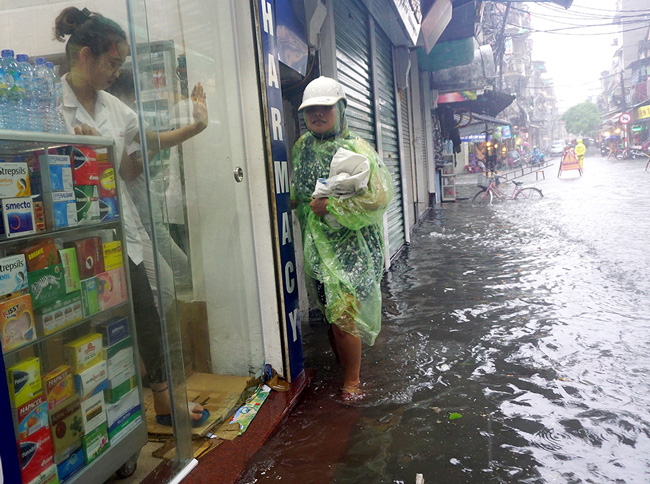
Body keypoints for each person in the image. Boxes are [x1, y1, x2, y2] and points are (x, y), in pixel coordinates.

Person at [54, 6, 208, 426]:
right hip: (72, 238)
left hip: (121, 231)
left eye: (120, 64)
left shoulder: (113, 109)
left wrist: (194, 128)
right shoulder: (51, 107)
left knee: (144, 309)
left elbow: (146, 143)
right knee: (84, 324)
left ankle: (162, 401)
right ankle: (93, 410)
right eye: (112, 62)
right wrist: (78, 155)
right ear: (85, 55)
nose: (115, 73)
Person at [291, 76, 393, 401]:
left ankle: (352, 381)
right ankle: (344, 364)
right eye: (311, 110)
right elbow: (298, 192)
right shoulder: (302, 148)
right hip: (318, 247)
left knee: (343, 314)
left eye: (325, 108)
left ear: (341, 108)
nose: (318, 115)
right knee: (331, 313)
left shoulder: (356, 149)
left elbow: (379, 198)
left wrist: (332, 205)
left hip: (352, 250)